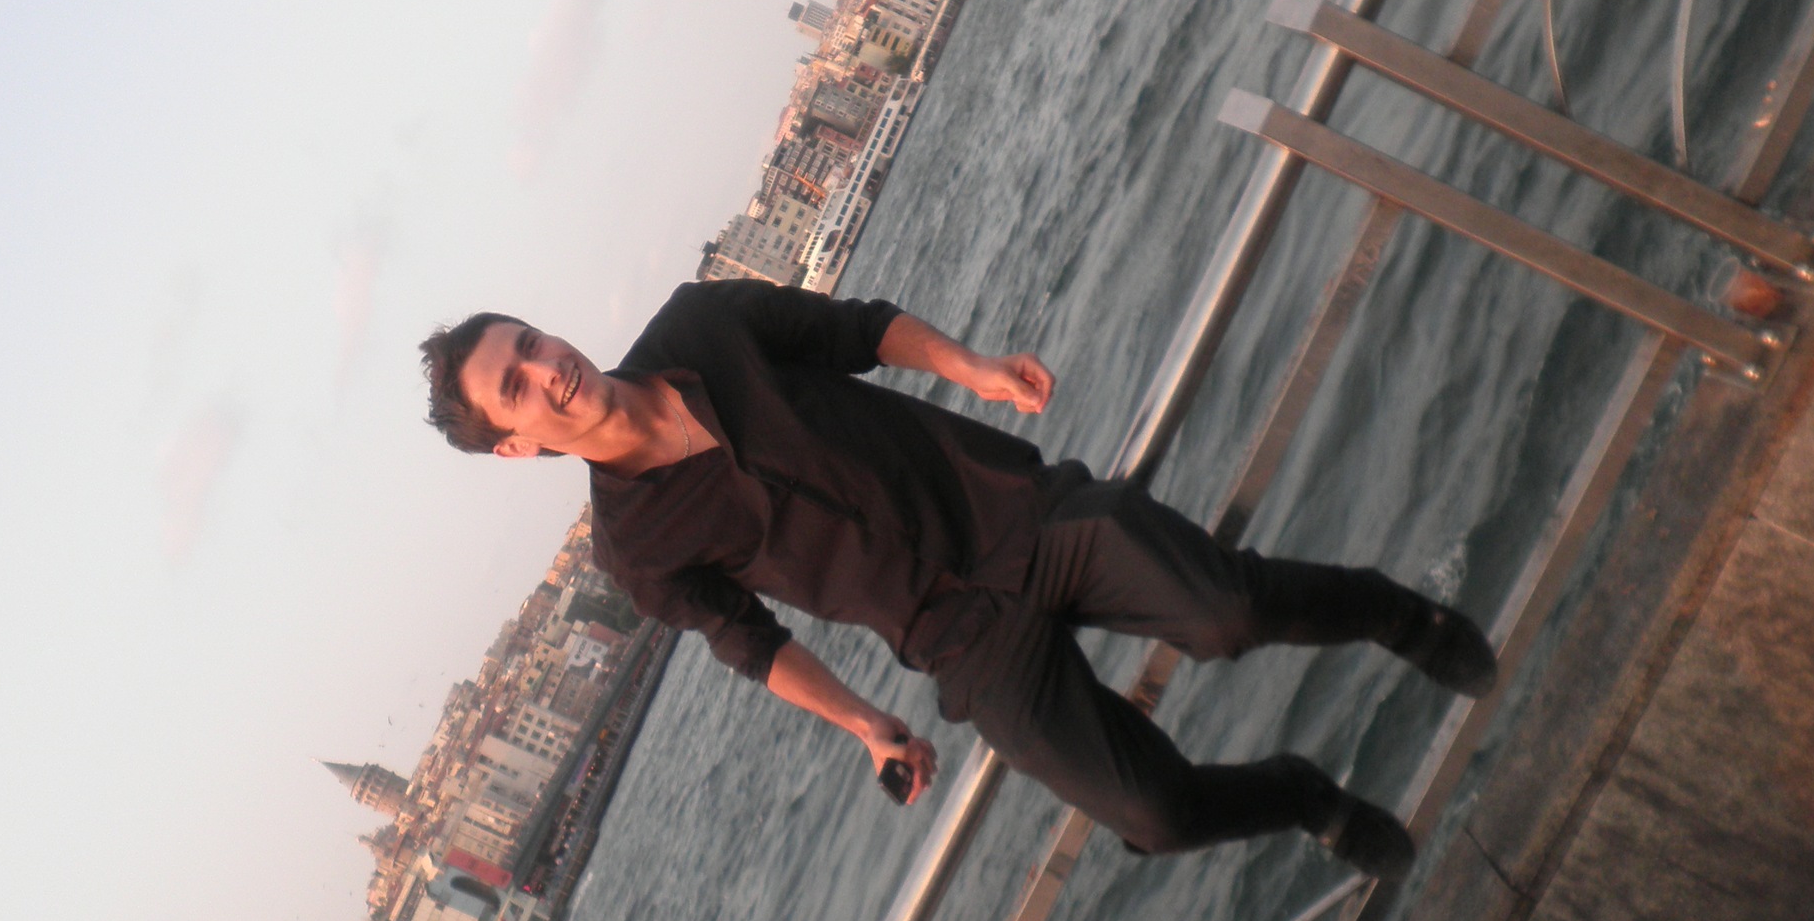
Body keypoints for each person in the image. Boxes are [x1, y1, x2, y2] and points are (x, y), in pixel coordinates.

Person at [418, 280, 1498, 879]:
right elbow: (748, 642)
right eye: (515, 385)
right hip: (953, 641)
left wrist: (971, 366)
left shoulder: (700, 325)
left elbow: (856, 330)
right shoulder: (633, 549)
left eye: (531, 340)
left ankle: (1393, 613)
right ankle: (1304, 796)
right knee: (1157, 815)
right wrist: (867, 726)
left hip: (1020, 514)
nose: (547, 367)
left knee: (1229, 613)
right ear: (514, 445)